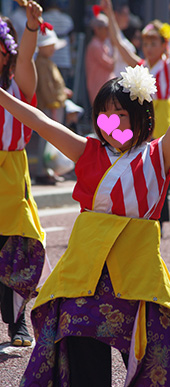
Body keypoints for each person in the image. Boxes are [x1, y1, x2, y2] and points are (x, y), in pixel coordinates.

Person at [0, 55, 170, 385]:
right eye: (105, 114)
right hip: (86, 277)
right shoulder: (88, 150)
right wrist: (2, 95)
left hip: (138, 277)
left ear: (142, 116)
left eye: (122, 114)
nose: (112, 121)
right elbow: (41, 123)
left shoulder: (157, 155)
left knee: (154, 361)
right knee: (81, 352)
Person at [101, 0, 170, 228]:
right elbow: (119, 44)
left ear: (164, 45)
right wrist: (109, 14)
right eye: (146, 42)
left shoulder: (168, 66)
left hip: (163, 124)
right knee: (147, 172)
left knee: (160, 173)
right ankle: (145, 215)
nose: (149, 47)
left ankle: (159, 218)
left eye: (154, 42)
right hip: (144, 125)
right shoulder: (140, 66)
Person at [0, 1, 51, 348]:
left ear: (6, 53)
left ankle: (18, 322)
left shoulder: (18, 88)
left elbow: (27, 61)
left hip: (12, 175)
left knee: (20, 247)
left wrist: (31, 28)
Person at [35, 27, 73, 184]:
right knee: (46, 141)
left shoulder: (46, 62)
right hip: (50, 107)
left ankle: (49, 170)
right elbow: (47, 89)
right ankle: (43, 171)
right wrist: (60, 97)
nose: (53, 48)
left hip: (53, 106)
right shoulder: (42, 64)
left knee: (50, 141)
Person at [85, 13, 115, 106]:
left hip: (104, 88)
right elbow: (110, 65)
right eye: (105, 28)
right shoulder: (95, 46)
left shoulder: (102, 44)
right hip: (99, 88)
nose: (107, 31)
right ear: (97, 29)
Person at [42, 1, 74, 86]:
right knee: (62, 88)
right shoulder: (67, 19)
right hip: (64, 60)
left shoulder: (43, 17)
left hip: (48, 59)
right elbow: (72, 39)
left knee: (49, 88)